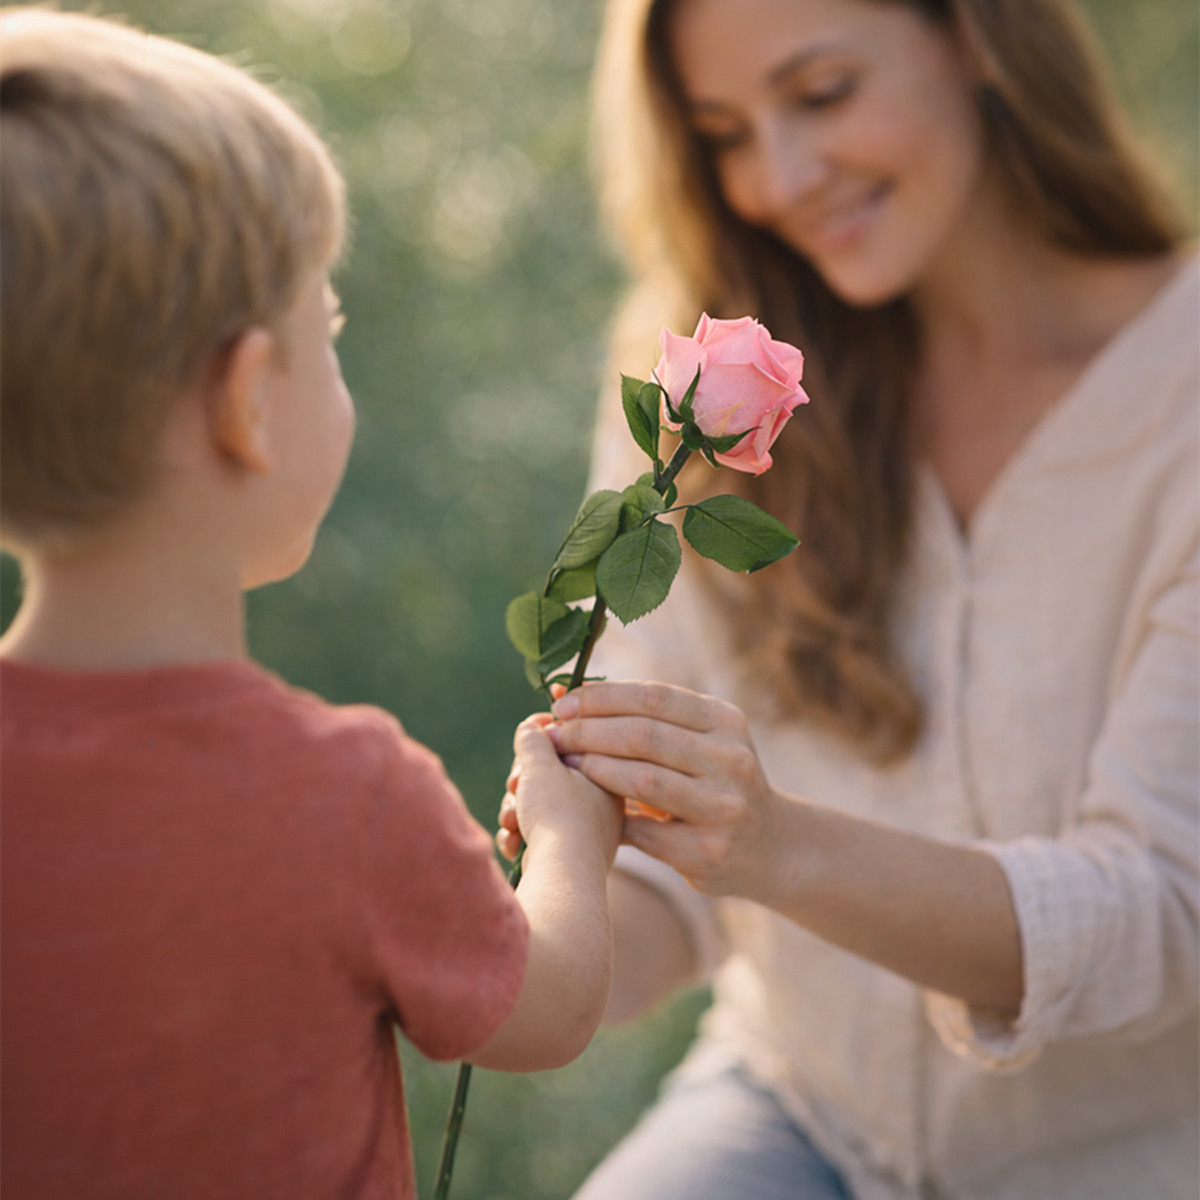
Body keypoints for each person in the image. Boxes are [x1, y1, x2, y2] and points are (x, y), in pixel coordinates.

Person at [499, 0, 1199, 1196]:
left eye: (822, 94)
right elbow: (659, 882)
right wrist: (494, 930)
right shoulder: (703, 409)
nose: (777, 181)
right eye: (724, 134)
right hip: (801, 1109)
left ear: (974, 35)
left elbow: (1165, 911)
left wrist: (778, 846)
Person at [0, 10, 622, 1200]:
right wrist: (573, 839)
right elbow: (546, 1011)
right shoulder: (349, 799)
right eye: (324, 328)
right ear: (246, 399)